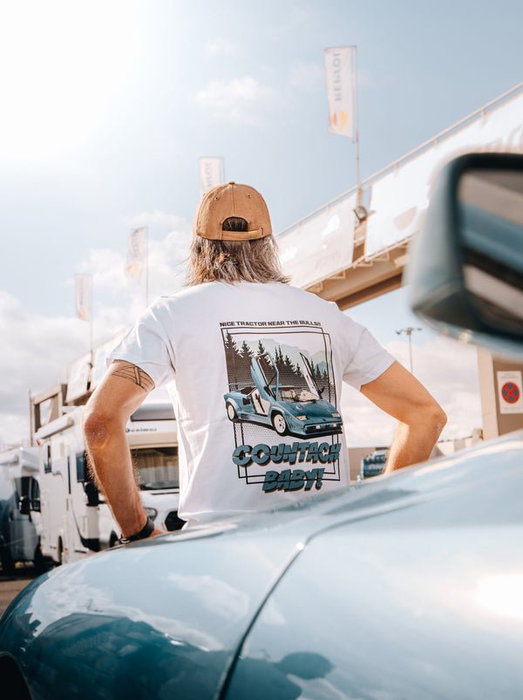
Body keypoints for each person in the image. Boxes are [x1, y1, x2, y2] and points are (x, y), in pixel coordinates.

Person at [84, 182, 446, 543]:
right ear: (269, 245)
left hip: (219, 548)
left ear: (198, 247)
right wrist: (377, 511)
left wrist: (139, 531)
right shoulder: (328, 316)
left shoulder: (170, 315)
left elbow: (101, 423)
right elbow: (425, 415)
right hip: (321, 544)